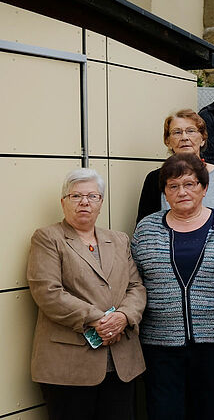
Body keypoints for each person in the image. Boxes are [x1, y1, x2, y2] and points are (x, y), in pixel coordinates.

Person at [131, 154, 214, 420]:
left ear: (204, 188)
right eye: (173, 186)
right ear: (164, 193)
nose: (181, 192)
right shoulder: (146, 229)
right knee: (163, 412)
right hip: (159, 345)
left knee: (210, 412)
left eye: (190, 184)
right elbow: (133, 283)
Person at [28, 169, 146, 420]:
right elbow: (47, 292)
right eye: (76, 196)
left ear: (101, 203)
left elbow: (136, 287)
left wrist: (123, 317)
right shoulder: (48, 238)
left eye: (93, 196)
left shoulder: (119, 239)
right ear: (63, 202)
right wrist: (100, 321)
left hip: (120, 362)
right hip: (69, 367)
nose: (84, 202)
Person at [137, 109, 214, 222]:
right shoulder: (155, 179)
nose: (184, 137)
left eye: (191, 131)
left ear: (203, 139)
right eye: (177, 132)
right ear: (167, 141)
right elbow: (145, 227)